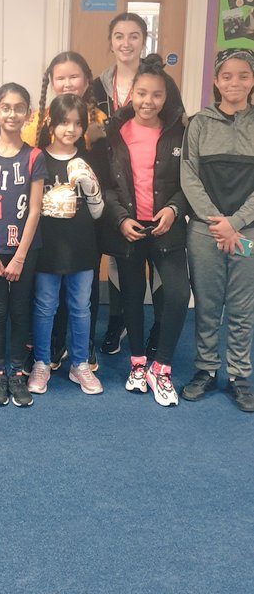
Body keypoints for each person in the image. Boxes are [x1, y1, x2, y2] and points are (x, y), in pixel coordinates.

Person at [100, 57, 189, 407]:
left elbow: (189, 182)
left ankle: (161, 367)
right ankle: (138, 363)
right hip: (130, 229)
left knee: (178, 294)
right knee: (132, 297)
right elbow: (106, 185)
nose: (148, 101)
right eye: (141, 93)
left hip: (167, 228)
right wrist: (120, 218)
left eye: (156, 95)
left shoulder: (179, 132)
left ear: (166, 98)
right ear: (131, 95)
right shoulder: (114, 132)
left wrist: (174, 209)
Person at [22, 51, 107, 370]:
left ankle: (81, 358)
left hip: (83, 237)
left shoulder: (94, 136)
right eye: (61, 77)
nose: (71, 128)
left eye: (75, 76)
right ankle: (45, 356)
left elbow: (99, 205)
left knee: (81, 302)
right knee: (46, 301)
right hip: (47, 239)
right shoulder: (37, 143)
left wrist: (91, 187)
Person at [181, 49, 254, 412]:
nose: (234, 83)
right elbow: (188, 176)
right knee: (208, 305)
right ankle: (206, 369)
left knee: (242, 306)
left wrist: (235, 223)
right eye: (227, 76)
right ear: (215, 81)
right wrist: (217, 222)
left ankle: (239, 375)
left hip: (248, 233)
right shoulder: (199, 123)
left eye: (243, 75)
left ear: (253, 80)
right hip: (204, 231)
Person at [0, 83, 47, 408]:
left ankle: (17, 372)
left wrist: (19, 258)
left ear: (27, 114)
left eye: (19, 108)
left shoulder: (34, 156)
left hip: (23, 250)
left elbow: (35, 209)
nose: (12, 114)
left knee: (20, 308)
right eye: (6, 107)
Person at [93, 12, 163, 358]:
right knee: (119, 255)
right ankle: (117, 321)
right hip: (111, 181)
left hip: (150, 184)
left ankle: (158, 327)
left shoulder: (159, 82)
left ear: (143, 40)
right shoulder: (97, 87)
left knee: (156, 262)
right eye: (119, 36)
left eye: (134, 35)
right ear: (110, 42)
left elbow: (175, 127)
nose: (126, 43)